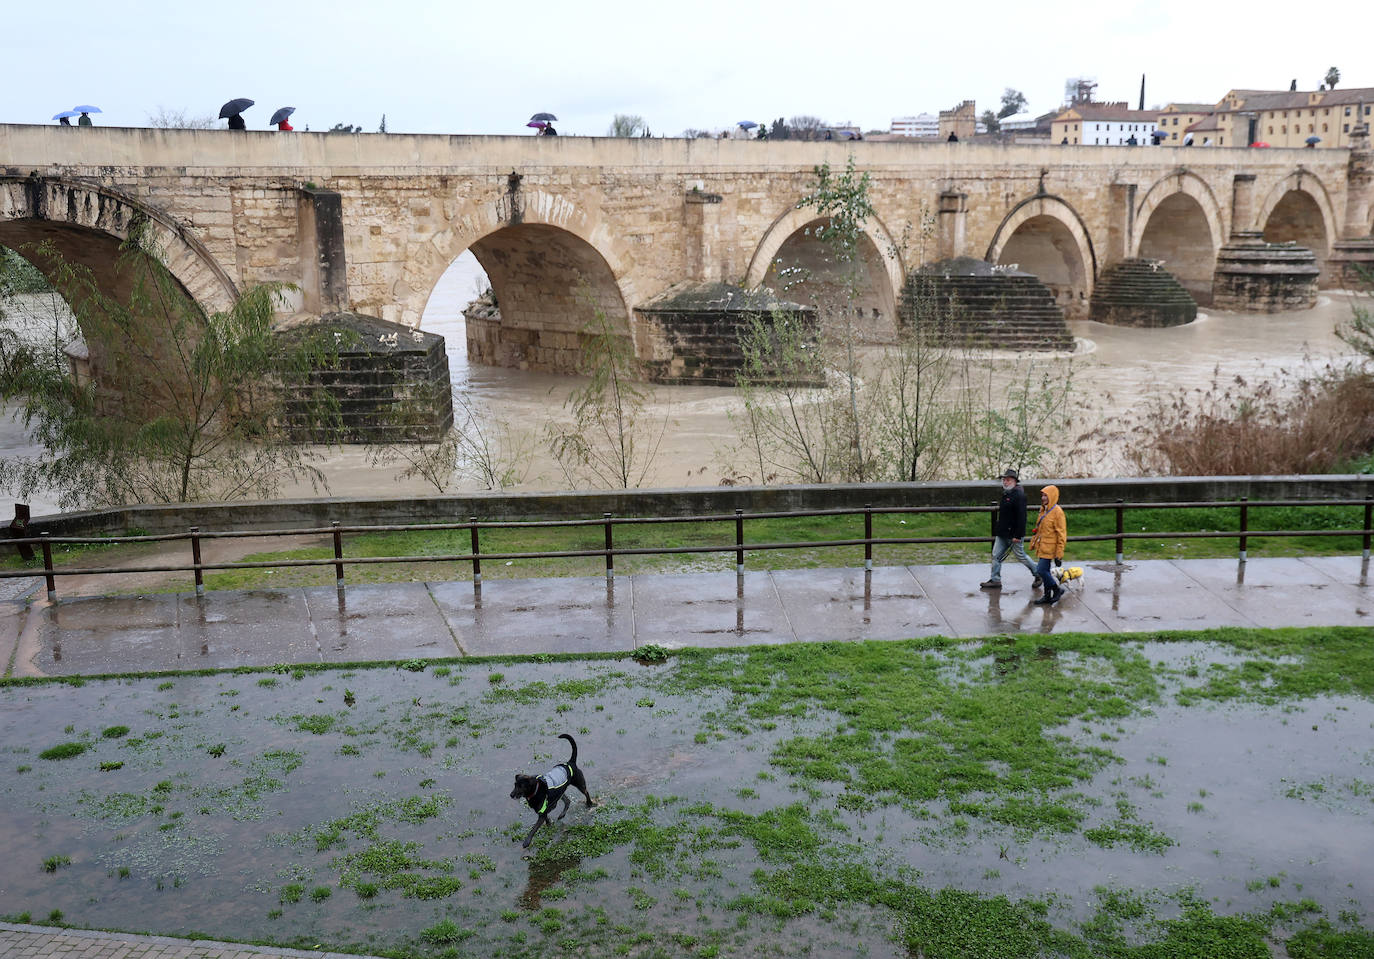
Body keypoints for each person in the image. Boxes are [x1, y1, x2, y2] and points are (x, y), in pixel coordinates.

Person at [980, 468, 1040, 591]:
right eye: (1004, 480)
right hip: (1002, 533)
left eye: (1007, 480)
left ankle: (1039, 574)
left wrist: (1018, 535)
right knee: (996, 555)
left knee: (1021, 556)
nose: (1005, 482)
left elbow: (1022, 517)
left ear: (1014, 481)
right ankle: (995, 579)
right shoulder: (1007, 493)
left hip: (1014, 534)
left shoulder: (1019, 495)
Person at [1029, 485, 1066, 606]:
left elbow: (1061, 534)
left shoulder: (1057, 512)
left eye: (1046, 495)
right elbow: (1040, 529)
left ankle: (1057, 590)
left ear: (1052, 496)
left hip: (1051, 547)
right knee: (1045, 571)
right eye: (1042, 495)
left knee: (1041, 570)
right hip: (1042, 546)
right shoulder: (1043, 509)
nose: (1043, 498)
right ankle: (1047, 595)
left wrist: (1059, 553)